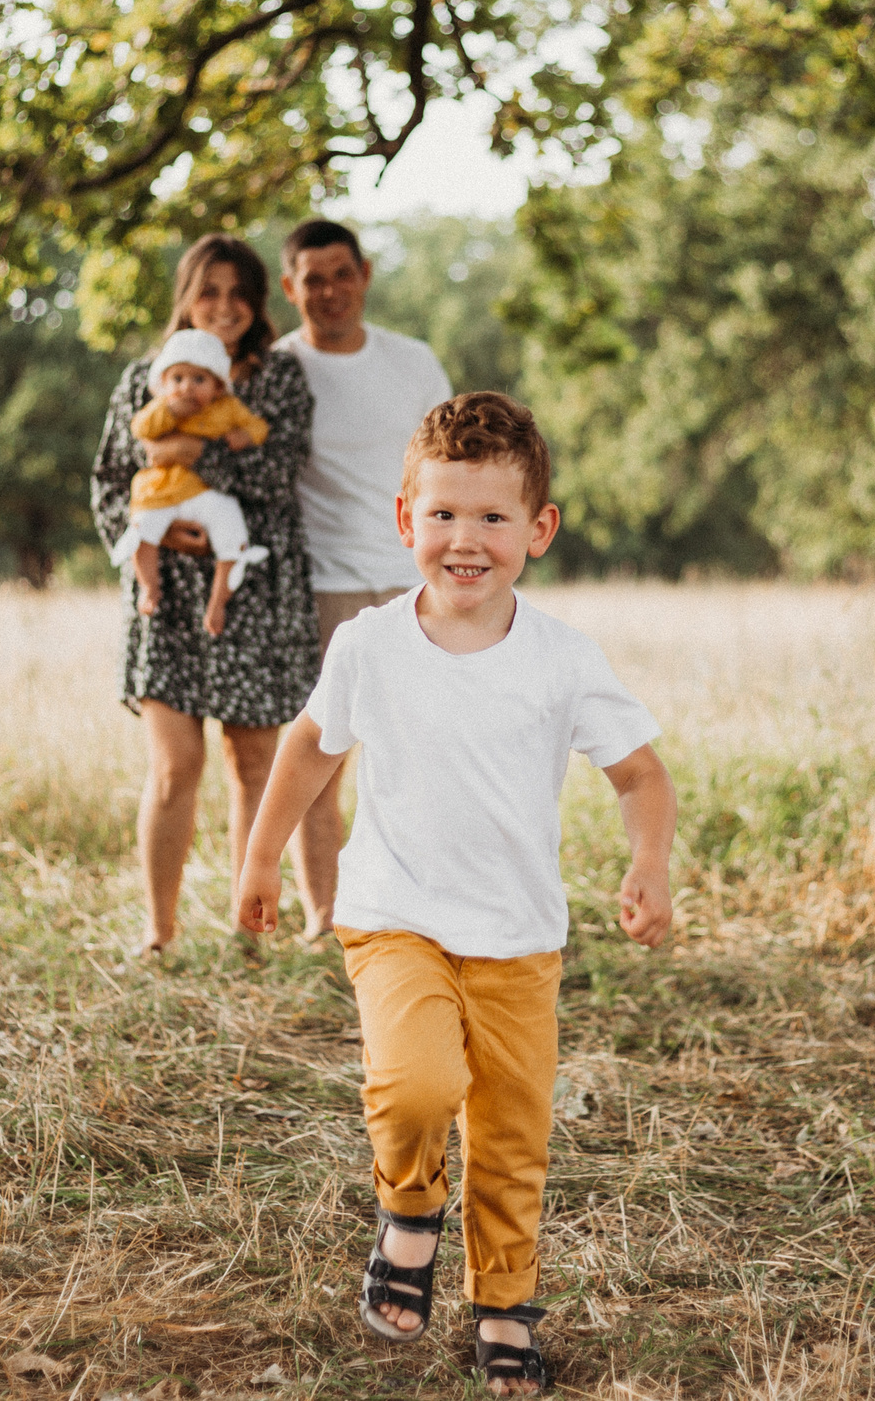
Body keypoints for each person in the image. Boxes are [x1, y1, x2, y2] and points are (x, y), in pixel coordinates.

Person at [233, 392, 676, 1395]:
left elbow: (641, 776)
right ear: (404, 522)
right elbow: (310, 748)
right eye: (441, 515)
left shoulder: (562, 658)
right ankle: (409, 1206)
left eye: (491, 518)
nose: (463, 541)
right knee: (417, 1086)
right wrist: (262, 857)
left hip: (519, 941)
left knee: (515, 1138)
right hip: (393, 917)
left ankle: (505, 1302)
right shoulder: (369, 645)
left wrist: (646, 863)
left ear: (539, 531)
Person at [90, 236, 323, 956]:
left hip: (253, 587)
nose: (223, 305)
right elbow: (109, 480)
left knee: (254, 763)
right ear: (188, 296)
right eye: (209, 290)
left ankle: (246, 929)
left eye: (237, 292)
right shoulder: (143, 376)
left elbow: (281, 472)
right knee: (173, 766)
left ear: (257, 302)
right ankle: (158, 932)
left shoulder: (278, 380)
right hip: (167, 600)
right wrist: (144, 548)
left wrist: (198, 456)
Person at [273, 219, 453, 936]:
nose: (330, 291)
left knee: (429, 752)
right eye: (312, 279)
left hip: (417, 582)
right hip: (324, 585)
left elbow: (448, 462)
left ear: (365, 274)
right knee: (322, 755)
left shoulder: (413, 362)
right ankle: (325, 914)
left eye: (341, 274)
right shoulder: (278, 370)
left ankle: (431, 906)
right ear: (291, 288)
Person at [110, 327, 271, 635]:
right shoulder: (162, 408)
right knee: (143, 530)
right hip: (162, 491)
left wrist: (244, 436)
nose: (187, 388)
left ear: (218, 386)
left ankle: (218, 602)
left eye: (199, 380)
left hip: (202, 491)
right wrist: (169, 411)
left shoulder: (227, 408)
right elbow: (139, 429)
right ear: (163, 384)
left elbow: (259, 427)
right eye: (177, 379)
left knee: (232, 530)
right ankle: (149, 586)